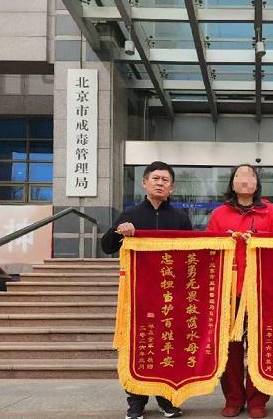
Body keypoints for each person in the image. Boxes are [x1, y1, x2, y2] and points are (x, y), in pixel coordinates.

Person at [102, 161, 192, 419]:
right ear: (144, 183)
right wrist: (119, 231)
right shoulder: (129, 214)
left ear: (172, 187)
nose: (160, 183)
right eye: (156, 178)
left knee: (168, 346)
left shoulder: (180, 218)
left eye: (165, 180)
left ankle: (166, 398)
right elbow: (106, 247)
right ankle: (136, 401)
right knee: (138, 346)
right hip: (137, 296)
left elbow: (192, 254)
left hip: (170, 295)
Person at [206, 164, 273, 419]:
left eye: (250, 175)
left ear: (257, 184)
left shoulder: (272, 212)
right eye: (239, 175)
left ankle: (257, 399)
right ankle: (233, 398)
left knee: (260, 347)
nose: (245, 179)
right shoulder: (219, 214)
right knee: (230, 350)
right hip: (230, 292)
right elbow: (209, 250)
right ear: (232, 183)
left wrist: (259, 240)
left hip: (262, 291)